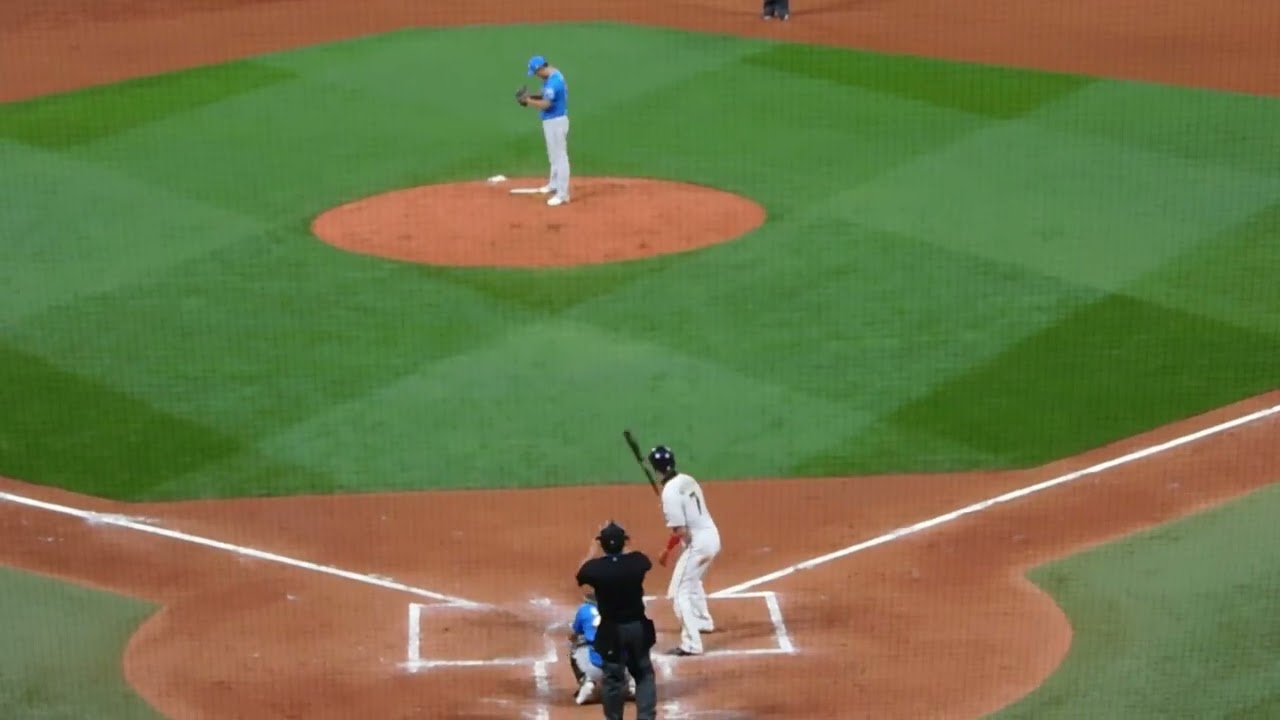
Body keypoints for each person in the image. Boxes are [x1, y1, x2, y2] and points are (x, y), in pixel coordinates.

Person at [575, 521, 658, 720]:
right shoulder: (637, 562)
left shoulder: (595, 568)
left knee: (613, 678)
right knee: (644, 674)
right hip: (637, 628)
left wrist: (593, 549)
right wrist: (622, 544)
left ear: (602, 544)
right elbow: (643, 561)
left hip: (612, 631)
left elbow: (581, 574)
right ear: (624, 542)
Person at [649, 445, 721, 656]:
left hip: (699, 545)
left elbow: (680, 530)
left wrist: (666, 550)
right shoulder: (688, 479)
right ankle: (702, 621)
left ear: (656, 469)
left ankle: (691, 644)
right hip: (712, 537)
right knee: (693, 581)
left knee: (680, 592)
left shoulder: (669, 492)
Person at [518, 55, 571, 206]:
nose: (536, 75)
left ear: (541, 69)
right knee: (553, 156)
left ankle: (563, 194)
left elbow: (547, 104)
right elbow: (544, 94)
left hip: (556, 122)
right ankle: (554, 184)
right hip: (552, 121)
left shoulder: (554, 82)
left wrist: (528, 101)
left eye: (536, 72)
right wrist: (530, 96)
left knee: (560, 157)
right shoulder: (552, 76)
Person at [568, 591, 637, 705]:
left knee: (574, 648)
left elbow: (575, 634)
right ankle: (633, 685)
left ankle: (587, 681)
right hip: (619, 669)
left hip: (594, 668)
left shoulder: (584, 610)